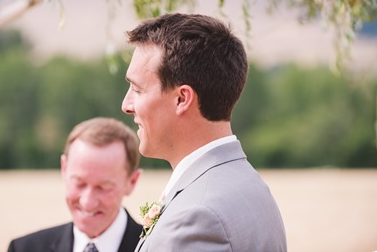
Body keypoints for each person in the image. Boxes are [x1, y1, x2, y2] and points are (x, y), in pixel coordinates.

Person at [121, 13, 287, 252]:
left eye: (137, 89)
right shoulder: (249, 185)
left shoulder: (197, 218)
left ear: (182, 98)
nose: (126, 105)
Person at [7, 117, 143, 252]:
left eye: (103, 187)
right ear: (64, 169)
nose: (88, 203)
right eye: (79, 183)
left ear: (132, 181)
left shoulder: (158, 247)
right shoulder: (24, 248)